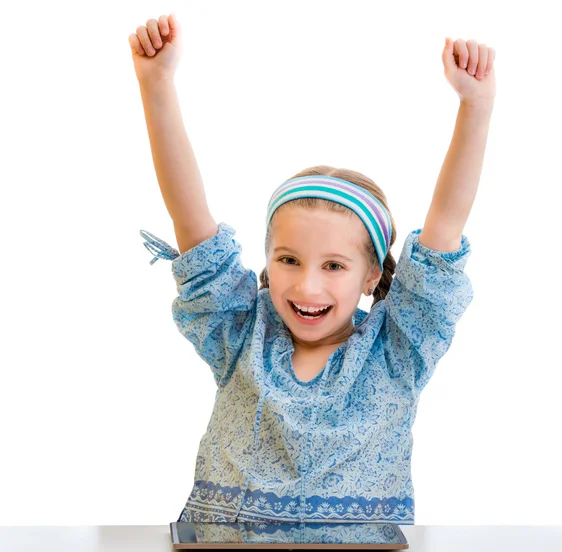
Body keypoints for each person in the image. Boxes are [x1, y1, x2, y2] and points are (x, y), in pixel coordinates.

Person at [130, 14, 495, 523]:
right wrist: (156, 83)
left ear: (372, 276)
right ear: (267, 258)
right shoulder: (240, 335)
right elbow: (190, 217)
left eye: (334, 265)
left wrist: (475, 105)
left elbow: (445, 222)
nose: (307, 284)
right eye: (288, 260)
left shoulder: (396, 353)